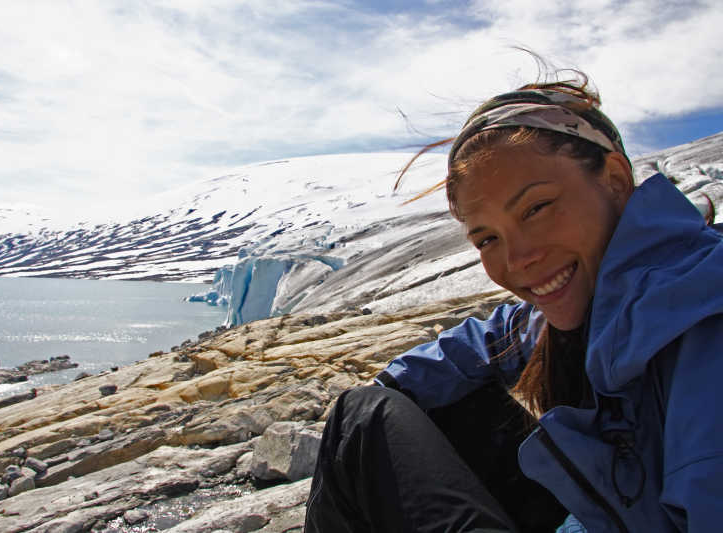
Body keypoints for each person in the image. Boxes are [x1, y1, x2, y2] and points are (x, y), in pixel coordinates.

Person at [304, 72, 723, 533]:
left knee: (360, 421)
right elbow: (494, 336)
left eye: (537, 209)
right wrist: (390, 383)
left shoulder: (703, 320)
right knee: (394, 407)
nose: (519, 259)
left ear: (617, 180)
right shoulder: (598, 304)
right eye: (487, 239)